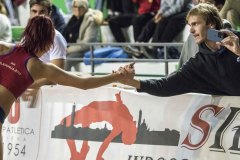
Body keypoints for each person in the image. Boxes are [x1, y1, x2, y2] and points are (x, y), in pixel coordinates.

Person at [0, 15, 133, 160]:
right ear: (49, 42)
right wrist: (118, 76)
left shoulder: (5, 48)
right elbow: (84, 84)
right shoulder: (39, 67)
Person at [119, 3, 240, 97]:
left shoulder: (237, 39)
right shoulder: (197, 64)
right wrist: (132, 82)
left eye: (195, 24)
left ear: (211, 24)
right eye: (190, 26)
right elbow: (164, 85)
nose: (191, 31)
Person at [22, 0, 67, 102]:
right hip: (26, 93)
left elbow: (56, 76)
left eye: (42, 12)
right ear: (30, 13)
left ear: (49, 13)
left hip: (46, 97)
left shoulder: (56, 38)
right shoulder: (26, 36)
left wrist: (23, 85)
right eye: (34, 11)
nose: (37, 15)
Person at [178, 0, 230, 68]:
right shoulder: (192, 37)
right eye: (200, 2)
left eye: (208, 2)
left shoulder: (224, 26)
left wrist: (206, 33)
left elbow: (222, 36)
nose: (202, 4)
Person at [62, 0, 103, 71]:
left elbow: (86, 44)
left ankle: (64, 81)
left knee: (67, 60)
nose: (77, 9)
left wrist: (68, 50)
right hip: (76, 48)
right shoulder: (73, 20)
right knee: (60, 57)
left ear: (85, 8)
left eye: (80, 7)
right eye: (75, 6)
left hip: (89, 50)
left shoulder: (91, 20)